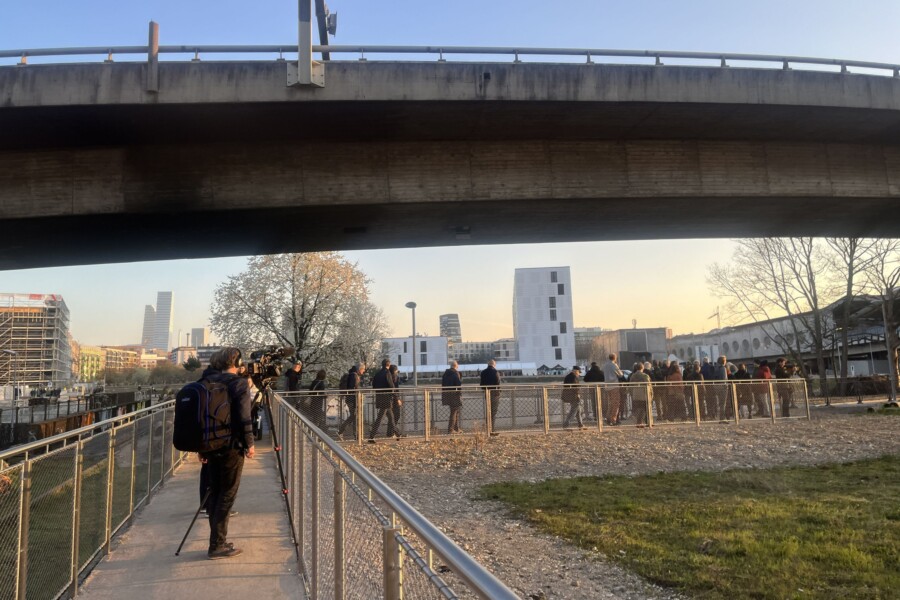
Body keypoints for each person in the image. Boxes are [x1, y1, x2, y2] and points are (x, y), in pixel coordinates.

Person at [201, 347, 255, 560]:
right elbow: (244, 416)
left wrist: (201, 448)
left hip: (209, 444)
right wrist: (250, 443)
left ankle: (216, 541)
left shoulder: (206, 383)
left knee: (215, 492)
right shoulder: (238, 384)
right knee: (227, 494)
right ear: (237, 363)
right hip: (231, 445)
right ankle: (217, 545)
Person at [369, 359, 399, 442]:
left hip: (379, 397)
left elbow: (374, 386)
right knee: (380, 418)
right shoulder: (387, 373)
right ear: (388, 365)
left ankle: (398, 434)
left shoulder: (377, 374)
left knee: (391, 418)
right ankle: (371, 437)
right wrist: (396, 397)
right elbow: (391, 386)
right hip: (386, 398)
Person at [338, 363, 365, 440]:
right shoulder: (354, 376)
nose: (363, 371)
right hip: (353, 399)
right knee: (354, 416)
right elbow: (354, 388)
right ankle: (341, 431)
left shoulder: (351, 374)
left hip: (350, 399)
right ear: (359, 369)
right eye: (363, 369)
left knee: (354, 416)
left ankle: (356, 435)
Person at [480, 359, 502, 435]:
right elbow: (498, 384)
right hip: (494, 394)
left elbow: (481, 384)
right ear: (494, 365)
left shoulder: (483, 372)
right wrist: (498, 391)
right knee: (493, 412)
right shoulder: (496, 372)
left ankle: (487, 429)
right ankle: (492, 429)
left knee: (488, 411)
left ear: (488, 364)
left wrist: (485, 389)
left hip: (486, 393)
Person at [601, 354, 624, 425]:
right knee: (616, 403)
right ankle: (613, 419)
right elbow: (620, 375)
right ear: (615, 358)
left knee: (611, 403)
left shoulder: (605, 365)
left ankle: (608, 418)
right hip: (614, 386)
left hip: (607, 386)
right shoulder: (614, 365)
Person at [442, 360, 463, 434]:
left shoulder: (445, 374)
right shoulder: (456, 373)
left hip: (447, 394)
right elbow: (458, 384)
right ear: (456, 366)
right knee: (454, 412)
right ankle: (451, 429)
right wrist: (459, 393)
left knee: (454, 411)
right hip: (455, 395)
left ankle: (456, 428)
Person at [389, 364, 404, 438]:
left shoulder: (390, 376)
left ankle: (391, 432)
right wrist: (397, 399)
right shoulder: (394, 377)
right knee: (396, 415)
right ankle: (393, 432)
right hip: (394, 398)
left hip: (391, 398)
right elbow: (395, 389)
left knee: (392, 416)